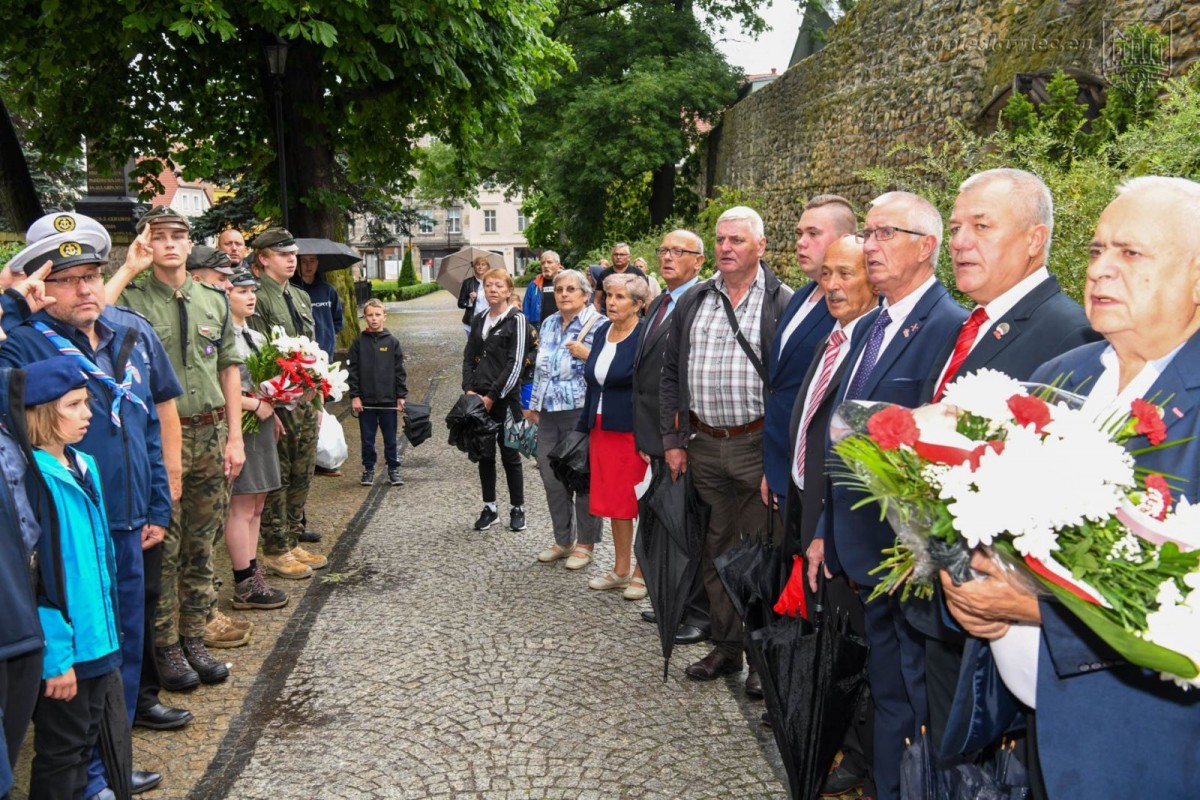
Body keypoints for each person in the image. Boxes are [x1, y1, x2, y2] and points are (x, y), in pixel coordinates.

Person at [941, 176, 1200, 798]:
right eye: (1095, 251)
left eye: (1130, 254)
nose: (1102, 269)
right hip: (1031, 729)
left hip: (1142, 752)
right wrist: (973, 582)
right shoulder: (1062, 376)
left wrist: (1035, 610)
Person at [916, 168, 1097, 775]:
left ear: (1034, 239)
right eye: (958, 225)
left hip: (1003, 610)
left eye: (982, 226)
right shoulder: (973, 322)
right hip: (946, 585)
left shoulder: (1067, 332)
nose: (961, 241)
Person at [3, 212, 180, 796]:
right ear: (39, 284)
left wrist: (159, 500)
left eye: (92, 275)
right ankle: (81, 771)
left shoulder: (127, 330)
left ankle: (113, 757)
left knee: (122, 645)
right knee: (72, 651)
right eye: (67, 278)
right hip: (61, 532)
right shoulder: (23, 344)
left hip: (128, 519)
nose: (85, 289)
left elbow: (146, 424)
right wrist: (8, 304)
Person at [806, 191, 967, 800]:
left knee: (912, 700)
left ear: (926, 248)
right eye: (867, 233)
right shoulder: (869, 326)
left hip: (907, 559)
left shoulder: (949, 329)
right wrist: (824, 524)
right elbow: (842, 437)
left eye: (884, 234)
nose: (869, 245)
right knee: (887, 690)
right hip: (858, 547)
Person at [103, 205, 246, 693]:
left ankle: (193, 635)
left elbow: (229, 367)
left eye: (177, 236)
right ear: (146, 242)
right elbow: (89, 319)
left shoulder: (212, 298)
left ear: (189, 245)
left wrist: (235, 435)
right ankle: (163, 646)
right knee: (162, 546)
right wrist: (127, 267)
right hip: (160, 438)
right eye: (157, 236)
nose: (168, 244)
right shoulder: (132, 300)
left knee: (201, 546)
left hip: (210, 434)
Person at [659, 206, 792, 688]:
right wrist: (674, 441)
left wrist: (776, 461)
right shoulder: (696, 300)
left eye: (737, 240)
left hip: (756, 445)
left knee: (756, 554)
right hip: (703, 445)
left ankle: (761, 658)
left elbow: (790, 388)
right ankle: (728, 647)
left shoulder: (782, 302)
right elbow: (671, 373)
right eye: (720, 239)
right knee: (715, 551)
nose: (725, 248)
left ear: (760, 246)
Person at [784, 234, 880, 796]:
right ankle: (838, 734)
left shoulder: (870, 341)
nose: (833, 286)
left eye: (845, 274)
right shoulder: (834, 334)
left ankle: (862, 756)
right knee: (829, 628)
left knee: (855, 638)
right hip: (810, 500)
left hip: (847, 518)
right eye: (826, 276)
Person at [23, 356, 122, 800]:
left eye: (87, 403)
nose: (88, 414)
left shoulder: (82, 463)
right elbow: (35, 576)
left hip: (98, 636)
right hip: (65, 647)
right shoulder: (30, 480)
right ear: (42, 413)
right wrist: (56, 655)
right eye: (74, 405)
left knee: (84, 744)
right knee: (61, 752)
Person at [632, 230, 709, 644]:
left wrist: (676, 436)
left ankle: (697, 612)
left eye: (678, 251)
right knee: (662, 525)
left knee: (687, 528)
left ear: (699, 261)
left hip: (681, 437)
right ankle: (670, 603)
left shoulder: (701, 302)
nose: (666, 257)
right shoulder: (660, 301)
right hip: (653, 435)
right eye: (662, 250)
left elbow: (685, 377)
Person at [243, 228, 328, 579]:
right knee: (276, 476)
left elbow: (312, 351)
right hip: (277, 401)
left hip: (305, 399)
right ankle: (275, 548)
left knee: (302, 472)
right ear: (263, 259)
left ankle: (292, 540)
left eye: (293, 253)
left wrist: (319, 400)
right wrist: (268, 401)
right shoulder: (257, 298)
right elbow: (258, 357)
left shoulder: (299, 296)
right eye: (283, 254)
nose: (292, 259)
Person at [761, 196, 853, 513]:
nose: (801, 242)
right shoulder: (799, 296)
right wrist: (772, 466)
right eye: (800, 233)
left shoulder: (851, 308)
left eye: (813, 234)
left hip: (818, 476)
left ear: (844, 240)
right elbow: (782, 386)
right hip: (782, 466)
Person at [576, 273, 647, 598]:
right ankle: (620, 569)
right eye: (608, 296)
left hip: (631, 430)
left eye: (620, 297)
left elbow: (648, 387)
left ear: (639, 304)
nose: (611, 302)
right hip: (602, 426)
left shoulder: (645, 335)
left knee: (639, 501)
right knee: (615, 501)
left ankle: (641, 572)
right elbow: (595, 377)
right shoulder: (604, 330)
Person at [525, 269, 602, 568]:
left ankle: (585, 544)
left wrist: (587, 355)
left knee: (581, 477)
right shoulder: (548, 323)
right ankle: (563, 540)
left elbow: (611, 366)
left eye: (571, 289)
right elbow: (540, 368)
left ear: (585, 294)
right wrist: (531, 404)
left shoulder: (599, 324)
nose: (564, 294)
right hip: (547, 412)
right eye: (559, 289)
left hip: (580, 412)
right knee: (551, 477)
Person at [224, 270, 289, 613]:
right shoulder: (223, 337)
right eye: (242, 291)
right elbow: (222, 388)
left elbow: (263, 385)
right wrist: (253, 405)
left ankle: (253, 571)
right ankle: (243, 582)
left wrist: (273, 410)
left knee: (258, 504)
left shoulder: (257, 336)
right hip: (241, 424)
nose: (250, 296)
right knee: (241, 506)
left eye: (252, 290)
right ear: (225, 294)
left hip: (261, 424)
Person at [462, 267, 526, 532]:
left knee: (511, 454)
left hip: (507, 400)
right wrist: (468, 389)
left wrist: (492, 396)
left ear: (509, 290)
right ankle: (490, 508)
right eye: (489, 285)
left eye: (499, 286)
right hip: (479, 399)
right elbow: (468, 357)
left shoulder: (517, 320)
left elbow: (516, 364)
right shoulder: (479, 320)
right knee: (484, 454)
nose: (493, 290)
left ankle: (517, 508)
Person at [348, 299, 408, 487]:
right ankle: (368, 468)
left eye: (377, 315)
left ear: (384, 316)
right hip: (366, 402)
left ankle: (393, 468)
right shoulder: (359, 343)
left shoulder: (392, 342)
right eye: (370, 315)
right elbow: (353, 371)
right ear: (364, 317)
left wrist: (401, 396)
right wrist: (355, 395)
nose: (374, 319)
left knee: (390, 438)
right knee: (367, 439)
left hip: (388, 400)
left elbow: (400, 371)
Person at [520, 251, 561, 410]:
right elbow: (526, 312)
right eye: (543, 262)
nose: (546, 265)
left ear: (558, 264)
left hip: (562, 333)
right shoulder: (534, 285)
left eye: (550, 262)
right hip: (540, 333)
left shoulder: (566, 282)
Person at [292, 252, 344, 362]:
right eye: (303, 261)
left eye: (312, 260)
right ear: (296, 264)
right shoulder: (291, 291)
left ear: (317, 263)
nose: (308, 265)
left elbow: (338, 320)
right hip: (300, 354)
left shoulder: (329, 290)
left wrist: (327, 335)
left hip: (325, 353)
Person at [594, 243, 647, 314]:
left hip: (633, 316)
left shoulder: (638, 274)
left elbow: (647, 298)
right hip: (611, 316)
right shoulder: (604, 274)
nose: (618, 257)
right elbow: (597, 300)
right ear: (612, 257)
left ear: (629, 257)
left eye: (622, 255)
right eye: (615, 254)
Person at [457, 256, 491, 334]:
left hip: (489, 320)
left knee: (488, 345)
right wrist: (470, 300)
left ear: (487, 267)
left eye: (483, 264)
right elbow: (460, 303)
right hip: (472, 322)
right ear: (474, 267)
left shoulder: (492, 282)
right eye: (477, 264)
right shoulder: (468, 283)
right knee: (473, 346)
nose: (480, 267)